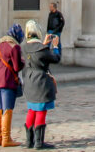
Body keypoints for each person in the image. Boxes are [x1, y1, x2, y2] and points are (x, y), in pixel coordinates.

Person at [22, 19, 60, 149]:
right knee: (41, 111)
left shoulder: (24, 47)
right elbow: (55, 59)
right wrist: (55, 46)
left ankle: (29, 141)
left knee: (31, 109)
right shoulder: (42, 49)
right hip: (41, 81)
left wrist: (44, 44)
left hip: (29, 80)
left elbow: (36, 54)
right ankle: (38, 142)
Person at [0, 24, 25, 147]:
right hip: (7, 81)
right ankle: (6, 138)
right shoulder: (14, 47)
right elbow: (16, 67)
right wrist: (23, 63)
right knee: (7, 109)